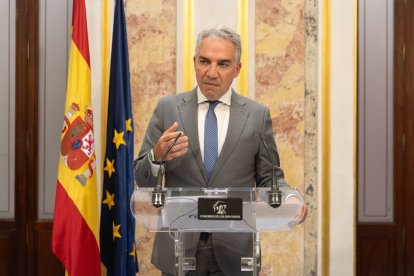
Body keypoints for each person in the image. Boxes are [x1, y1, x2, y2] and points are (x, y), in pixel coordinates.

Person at [134, 26, 307, 276]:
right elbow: (142, 178)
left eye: (223, 64)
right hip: (180, 249)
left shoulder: (257, 116)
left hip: (236, 251)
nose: (211, 72)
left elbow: (270, 178)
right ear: (194, 62)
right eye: (204, 61)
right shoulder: (168, 108)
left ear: (237, 69)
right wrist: (155, 157)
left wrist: (290, 198)